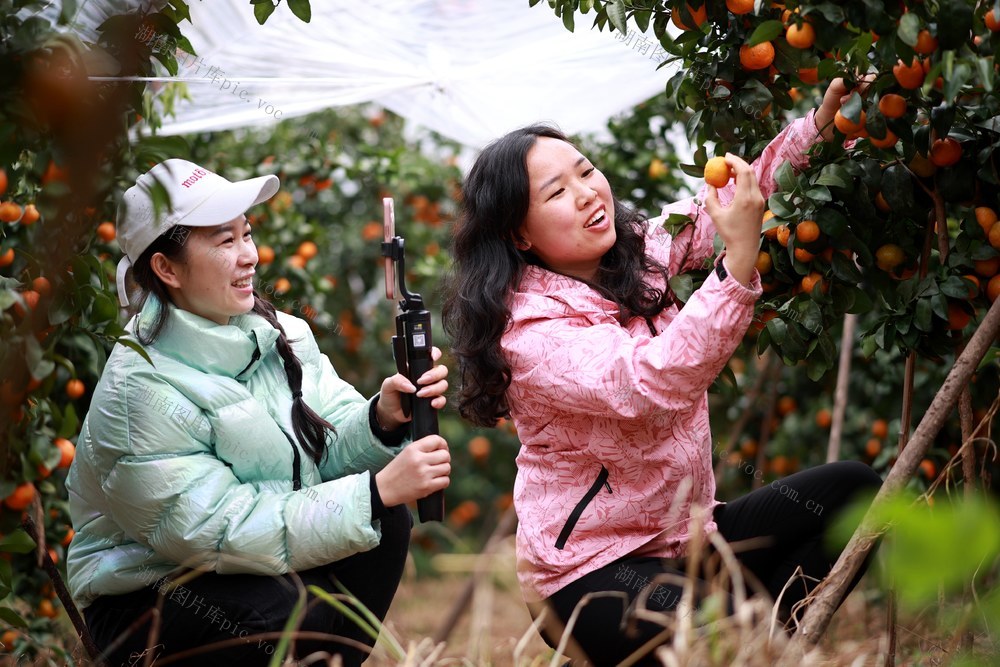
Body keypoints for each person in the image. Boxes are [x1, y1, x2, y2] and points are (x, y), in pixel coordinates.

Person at [441, 80, 882, 665]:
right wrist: (738, 263)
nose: (586, 193)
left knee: (854, 492)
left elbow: (717, 207)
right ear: (519, 234)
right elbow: (651, 382)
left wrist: (822, 127)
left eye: (585, 170)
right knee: (726, 630)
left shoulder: (633, 251)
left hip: (688, 539)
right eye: (556, 192)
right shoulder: (530, 335)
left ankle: (769, 644)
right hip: (591, 576)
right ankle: (744, 640)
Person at [65, 159, 451, 666]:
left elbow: (324, 451)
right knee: (280, 602)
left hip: (250, 571)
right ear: (167, 268)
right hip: (145, 596)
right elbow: (221, 531)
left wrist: (381, 420)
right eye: (225, 242)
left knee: (383, 525)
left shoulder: (280, 333)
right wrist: (374, 492)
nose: (250, 255)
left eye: (246, 234)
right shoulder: (140, 386)